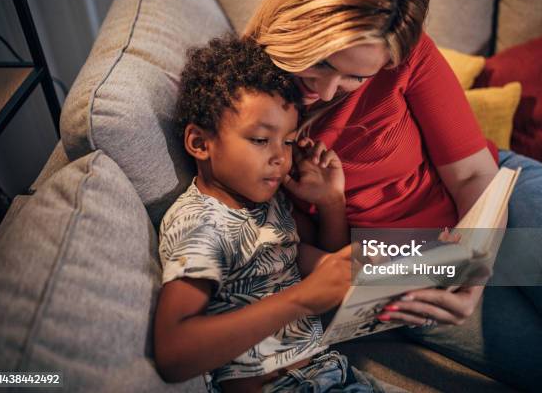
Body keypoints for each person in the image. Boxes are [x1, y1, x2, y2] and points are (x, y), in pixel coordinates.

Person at [243, 0, 542, 391]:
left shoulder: (407, 56)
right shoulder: (240, 102)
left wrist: (474, 271)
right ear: (298, 24)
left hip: (498, 205)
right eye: (323, 63)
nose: (325, 92)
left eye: (355, 77)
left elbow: (472, 176)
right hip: (403, 260)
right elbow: (286, 251)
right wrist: (376, 271)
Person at [153, 34, 406, 393]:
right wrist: (300, 299)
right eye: (260, 140)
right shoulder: (201, 223)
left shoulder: (268, 205)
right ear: (200, 143)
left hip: (331, 371)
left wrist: (333, 203)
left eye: (287, 141)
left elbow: (316, 265)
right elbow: (173, 353)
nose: (280, 158)